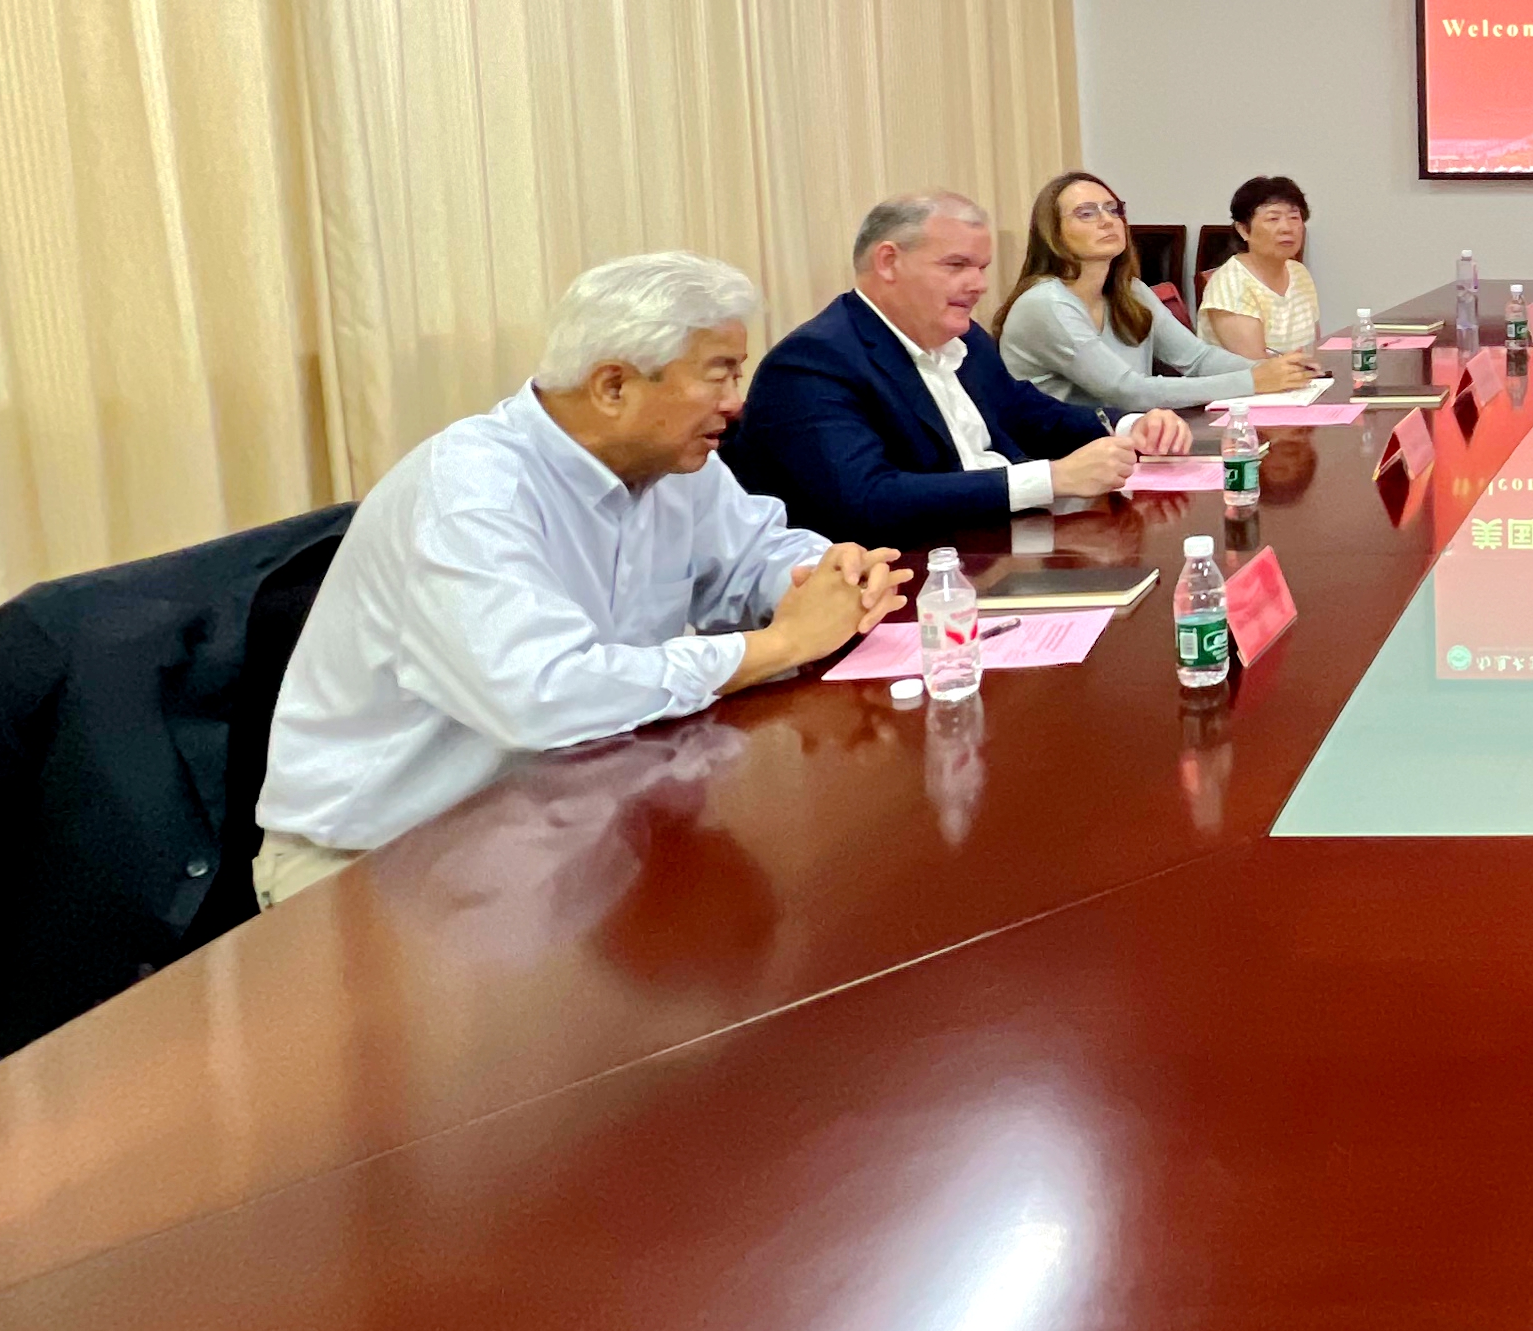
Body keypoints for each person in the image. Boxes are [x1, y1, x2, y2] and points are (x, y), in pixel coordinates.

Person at [255, 253, 909, 898]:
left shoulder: (677, 464)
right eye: (719, 376)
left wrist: (829, 578)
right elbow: (544, 694)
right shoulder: (470, 493)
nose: (737, 404)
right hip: (377, 865)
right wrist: (780, 644)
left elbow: (756, 556)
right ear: (613, 386)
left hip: (574, 815)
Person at [728, 192, 1195, 547]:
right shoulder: (813, 362)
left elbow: (1028, 412)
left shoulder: (964, 338)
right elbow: (867, 499)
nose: (978, 285)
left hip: (1005, 547)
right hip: (914, 577)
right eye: (957, 266)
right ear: (888, 262)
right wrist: (1050, 479)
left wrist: (1130, 426)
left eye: (982, 267)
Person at [994, 171, 1309, 406]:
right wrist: (1253, 380)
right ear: (1053, 233)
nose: (1107, 221)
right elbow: (1127, 391)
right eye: (1087, 213)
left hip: (1125, 442)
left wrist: (1276, 370)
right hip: (1063, 458)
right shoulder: (1046, 303)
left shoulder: (1131, 291)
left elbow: (1196, 358)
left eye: (1113, 209)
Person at [1199, 175, 1324, 365]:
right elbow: (1257, 370)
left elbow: (1313, 350)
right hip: (1252, 383)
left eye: (1294, 217)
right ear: (1243, 230)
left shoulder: (1299, 273)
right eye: (1273, 218)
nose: (1287, 228)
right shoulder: (1230, 285)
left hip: (1302, 380)